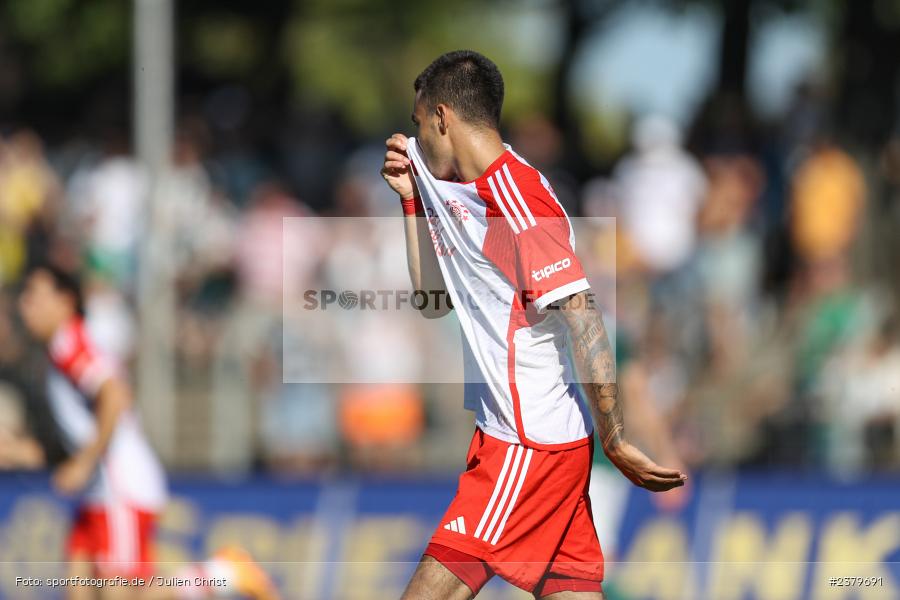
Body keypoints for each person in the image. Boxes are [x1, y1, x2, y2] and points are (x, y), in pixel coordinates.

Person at [381, 50, 686, 600]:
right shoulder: (462, 191)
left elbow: (584, 315)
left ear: (443, 118)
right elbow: (432, 302)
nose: (417, 138)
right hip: (537, 440)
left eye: (418, 123)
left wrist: (616, 441)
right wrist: (411, 203)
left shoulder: (519, 200)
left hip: (526, 444)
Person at [18, 263, 168, 598]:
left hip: (120, 487)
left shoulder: (69, 343)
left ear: (66, 301)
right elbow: (74, 434)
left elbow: (114, 394)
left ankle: (218, 574)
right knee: (79, 588)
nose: (25, 305)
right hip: (98, 493)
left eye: (34, 295)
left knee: (123, 593)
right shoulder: (56, 353)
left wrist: (84, 463)